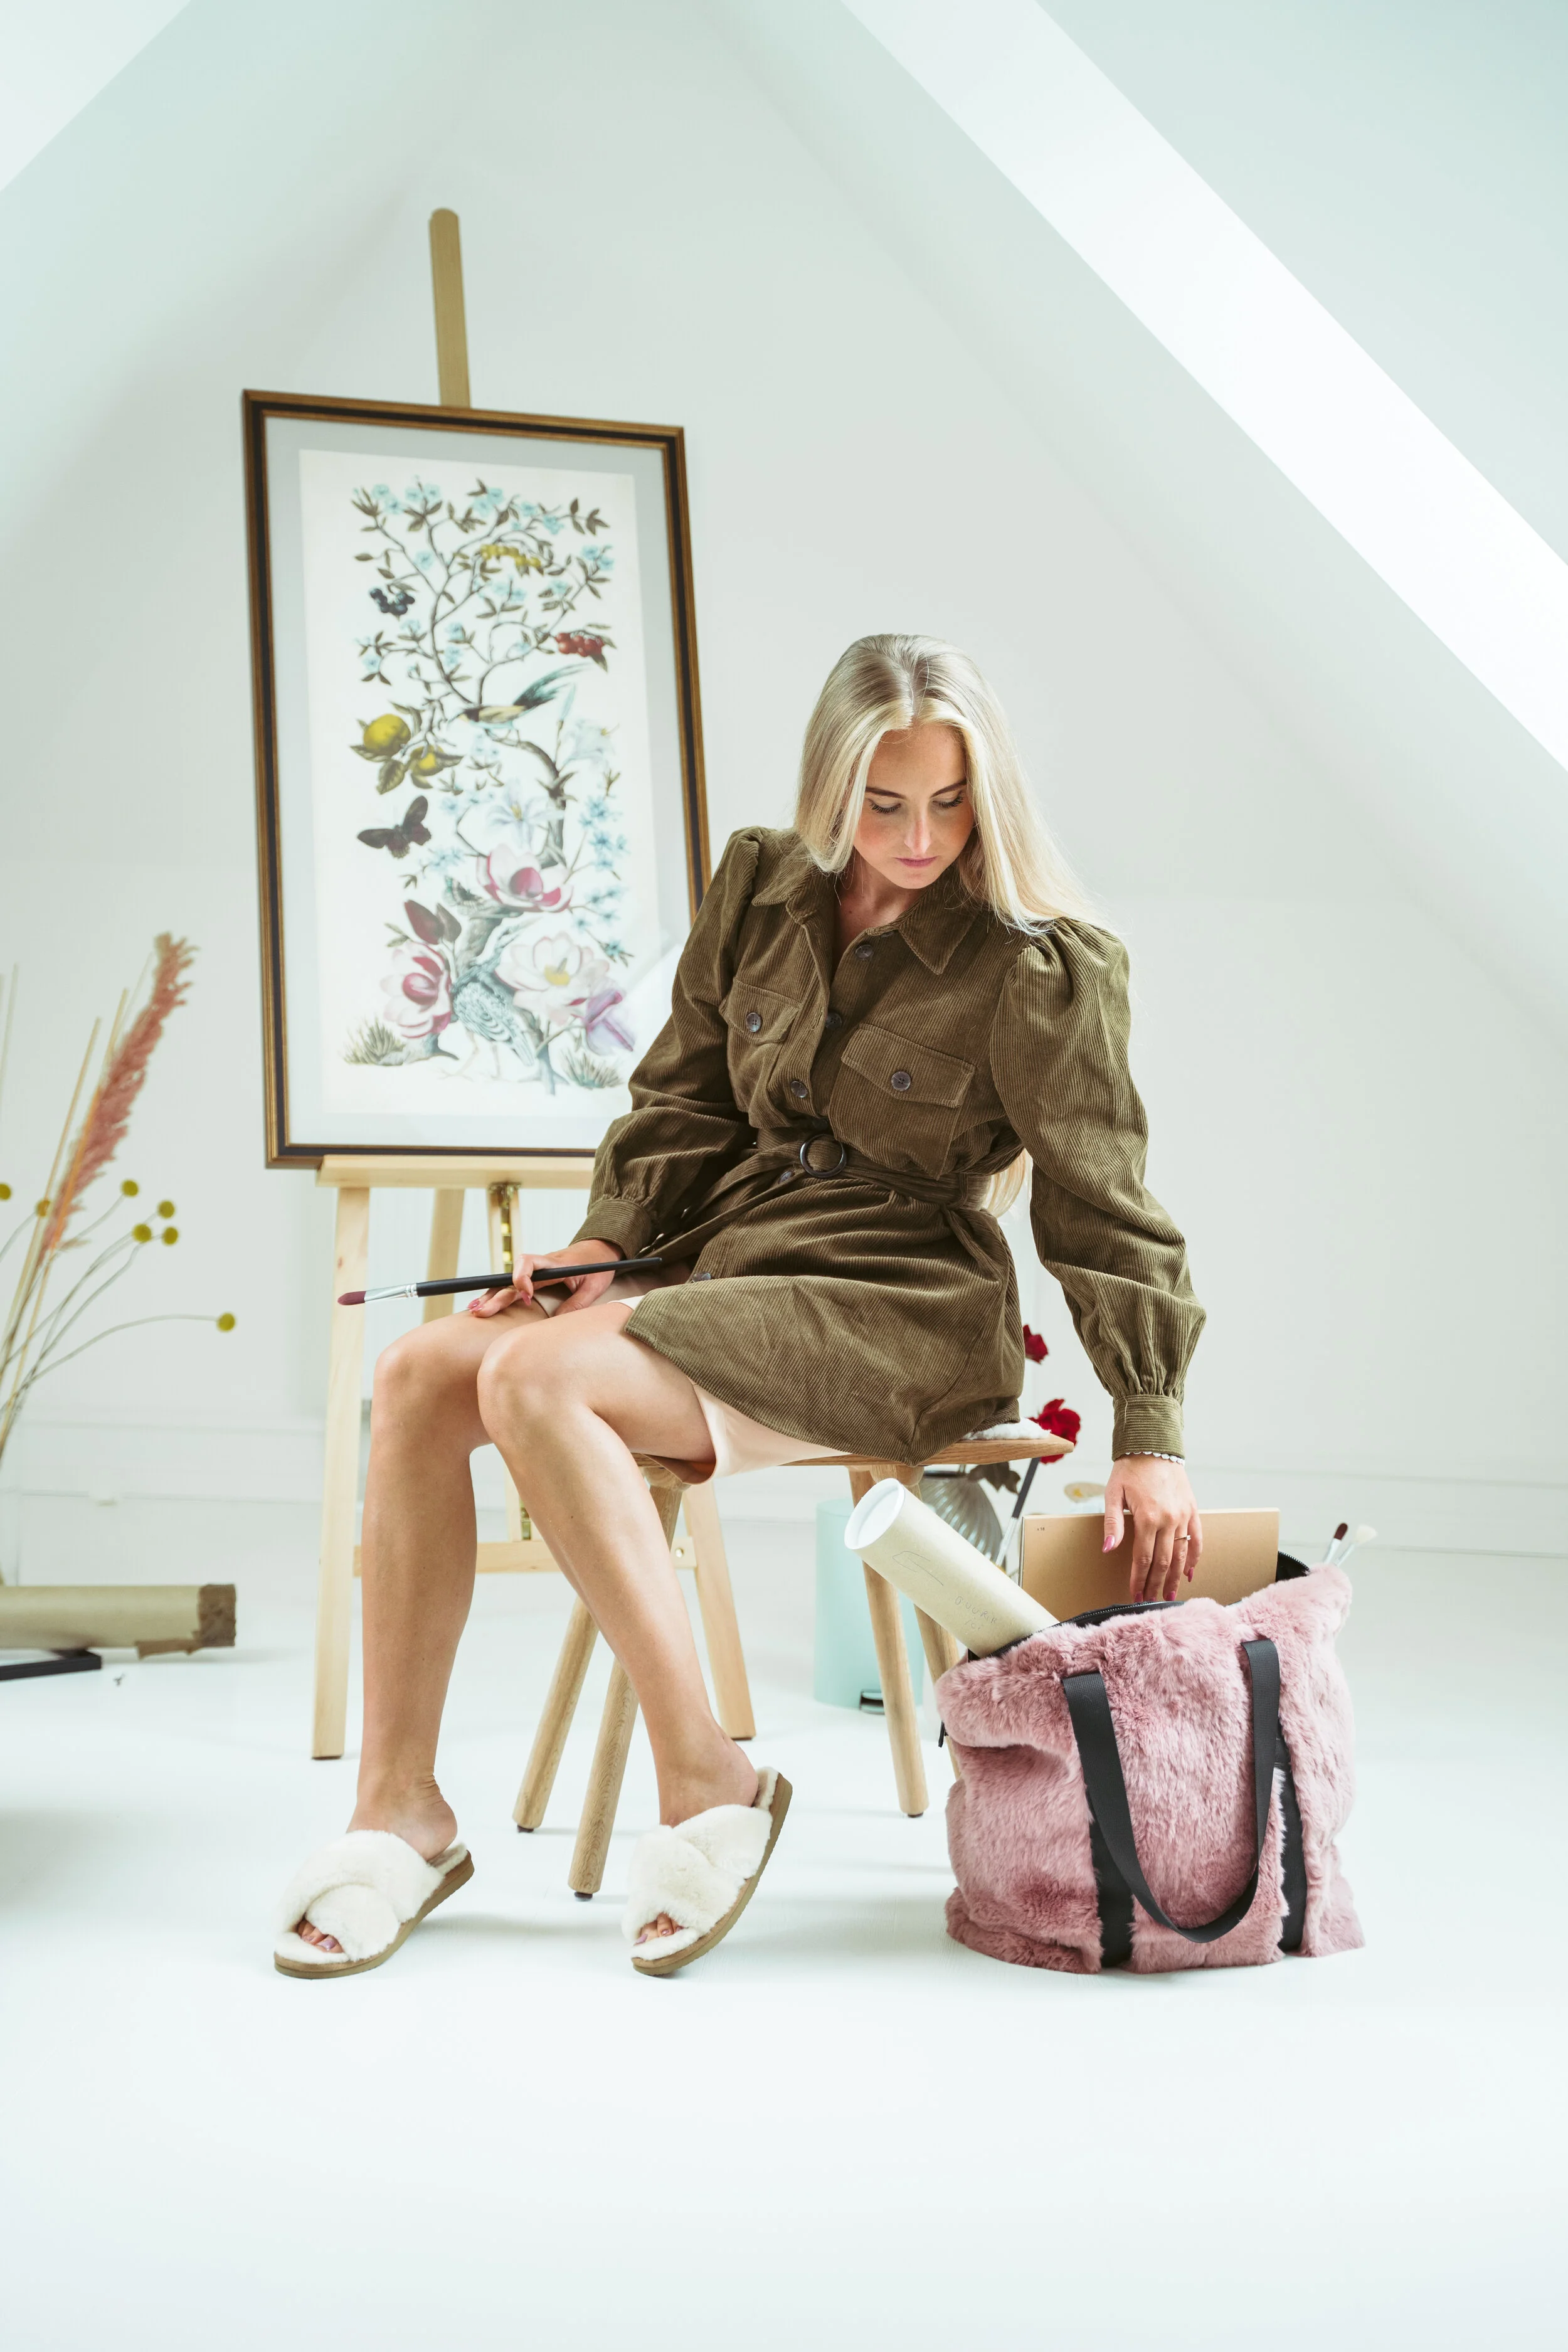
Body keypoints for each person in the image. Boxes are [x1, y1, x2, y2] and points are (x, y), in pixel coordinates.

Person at [273, 633, 1205, 1981]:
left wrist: (1150, 1428)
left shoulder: (1037, 966)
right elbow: (689, 1097)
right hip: (728, 1256)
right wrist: (605, 1240)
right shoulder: (764, 887)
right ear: (834, 785)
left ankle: (708, 1782)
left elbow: (1099, 1202)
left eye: (948, 802)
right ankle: (399, 1810)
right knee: (423, 1370)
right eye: (883, 803)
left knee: (535, 1383)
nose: (917, 835)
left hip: (893, 1293)